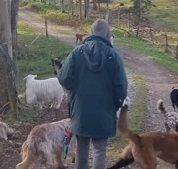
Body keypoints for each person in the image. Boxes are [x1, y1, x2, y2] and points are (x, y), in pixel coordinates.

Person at [57, 19, 128, 169]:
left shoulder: (77, 53)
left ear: (90, 32)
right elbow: (121, 87)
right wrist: (114, 105)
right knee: (100, 150)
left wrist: (74, 93)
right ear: (107, 34)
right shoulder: (114, 57)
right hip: (104, 112)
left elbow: (63, 78)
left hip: (81, 111)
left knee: (82, 149)